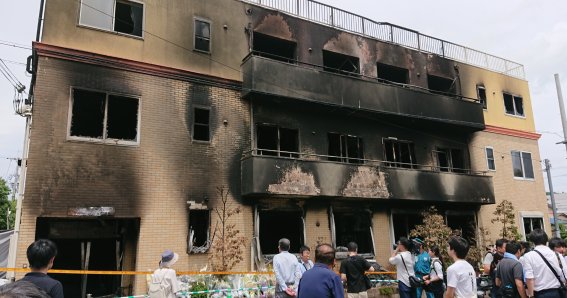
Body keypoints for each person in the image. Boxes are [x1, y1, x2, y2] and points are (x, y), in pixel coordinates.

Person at [522, 229, 567, 298]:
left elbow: (530, 278)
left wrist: (531, 295)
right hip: (558, 292)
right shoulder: (558, 255)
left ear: (532, 241)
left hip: (540, 294)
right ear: (546, 240)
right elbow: (564, 277)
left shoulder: (528, 256)